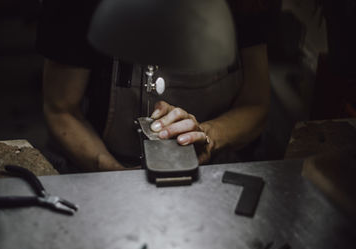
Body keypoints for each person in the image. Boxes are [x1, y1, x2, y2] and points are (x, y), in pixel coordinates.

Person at [36, 0, 272, 173]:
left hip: (215, 173)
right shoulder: (74, 6)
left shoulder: (245, 5)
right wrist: (114, 174)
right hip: (102, 167)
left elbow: (255, 104)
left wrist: (207, 136)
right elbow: (62, 109)